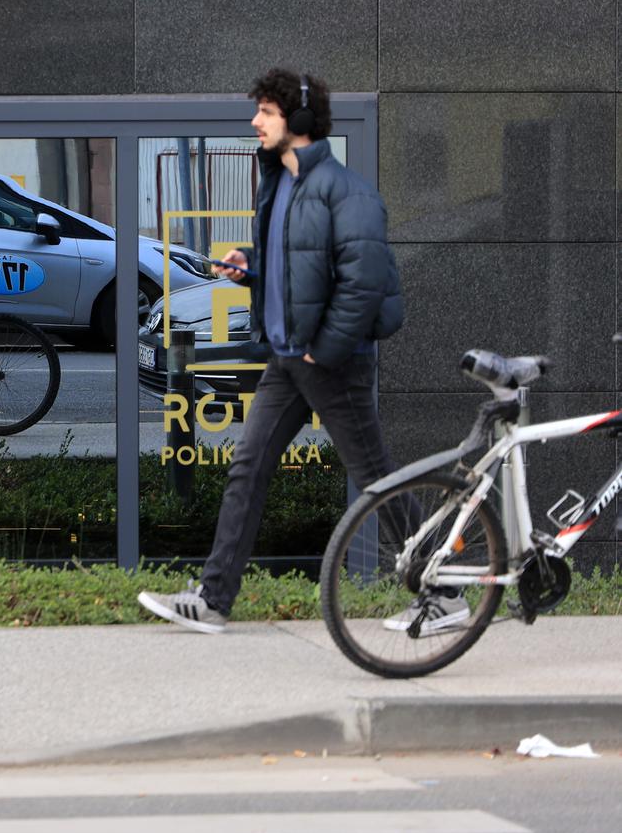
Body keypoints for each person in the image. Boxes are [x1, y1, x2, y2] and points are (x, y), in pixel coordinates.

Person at [137, 69, 426, 634]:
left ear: (297, 120)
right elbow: (296, 265)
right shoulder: (282, 182)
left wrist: (327, 349)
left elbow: (364, 283)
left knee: (376, 477)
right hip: (288, 360)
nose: (255, 122)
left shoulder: (347, 192)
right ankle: (214, 599)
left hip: (328, 363)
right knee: (248, 468)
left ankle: (438, 592)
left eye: (265, 112)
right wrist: (251, 264)